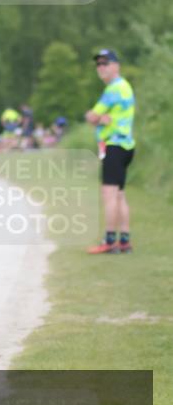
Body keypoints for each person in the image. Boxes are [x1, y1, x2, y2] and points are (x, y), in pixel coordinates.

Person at [85, 49, 136, 254]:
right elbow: (97, 117)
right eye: (98, 64)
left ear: (116, 65)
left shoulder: (114, 88)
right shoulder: (124, 86)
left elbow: (91, 116)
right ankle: (124, 241)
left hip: (114, 146)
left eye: (105, 63)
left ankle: (109, 241)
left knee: (109, 195)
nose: (101, 68)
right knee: (120, 195)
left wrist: (96, 117)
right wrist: (99, 118)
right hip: (126, 146)